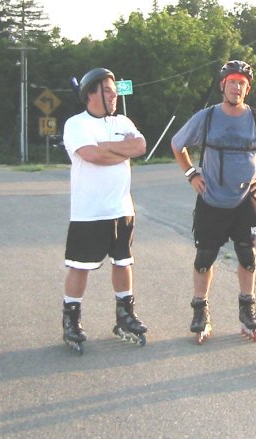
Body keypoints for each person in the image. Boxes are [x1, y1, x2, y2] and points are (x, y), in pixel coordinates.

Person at [171, 60, 256, 343]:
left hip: (245, 199)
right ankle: (200, 310)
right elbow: (177, 144)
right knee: (205, 257)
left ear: (247, 89)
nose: (237, 87)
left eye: (242, 84)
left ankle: (247, 309)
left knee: (247, 255)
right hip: (211, 199)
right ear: (224, 85)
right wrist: (190, 174)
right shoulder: (207, 117)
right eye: (233, 82)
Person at [61, 67, 148, 354]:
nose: (114, 95)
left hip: (122, 208)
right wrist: (119, 149)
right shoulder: (76, 124)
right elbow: (92, 155)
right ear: (90, 94)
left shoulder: (123, 120)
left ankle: (125, 313)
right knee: (81, 266)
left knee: (123, 262)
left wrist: (110, 147)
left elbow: (140, 146)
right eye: (108, 90)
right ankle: (71, 320)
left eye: (114, 90)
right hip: (89, 211)